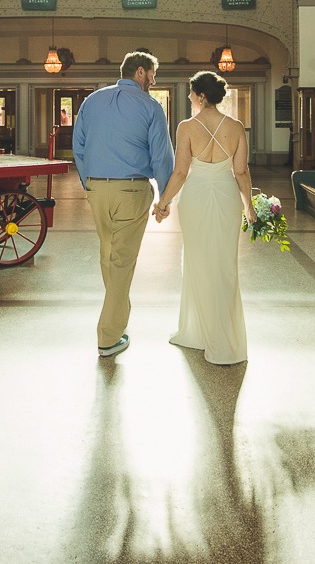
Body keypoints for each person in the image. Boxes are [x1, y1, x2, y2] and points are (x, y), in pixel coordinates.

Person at [72, 51, 175, 358]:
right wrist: (164, 198)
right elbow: (161, 157)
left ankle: (117, 318)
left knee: (108, 255)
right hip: (132, 190)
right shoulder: (151, 107)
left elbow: (78, 146)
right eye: (152, 75)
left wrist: (88, 183)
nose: (154, 82)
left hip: (97, 188)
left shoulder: (91, 101)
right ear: (140, 72)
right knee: (122, 261)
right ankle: (108, 336)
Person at [153, 70, 255, 365]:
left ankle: (197, 332)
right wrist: (248, 206)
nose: (188, 97)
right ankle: (225, 340)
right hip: (225, 196)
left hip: (195, 197)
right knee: (224, 264)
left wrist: (163, 202)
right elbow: (241, 172)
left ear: (201, 96)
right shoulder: (236, 127)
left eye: (191, 92)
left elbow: (182, 172)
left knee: (198, 261)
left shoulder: (186, 127)